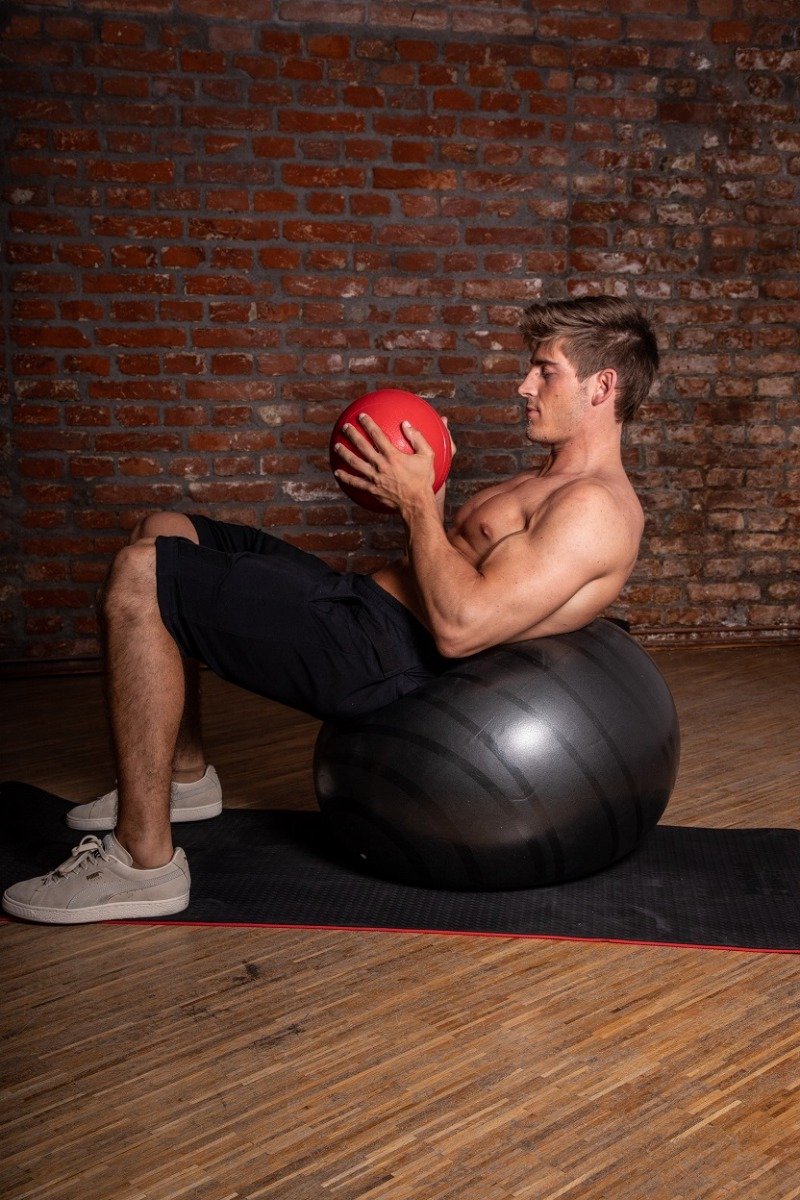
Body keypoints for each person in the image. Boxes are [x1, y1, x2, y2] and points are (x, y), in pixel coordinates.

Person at [2, 295, 659, 924]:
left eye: (545, 371)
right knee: (163, 528)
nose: (524, 385)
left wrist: (416, 504)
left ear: (601, 387)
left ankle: (142, 861)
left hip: (377, 654)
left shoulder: (592, 509)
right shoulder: (545, 480)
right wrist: (428, 491)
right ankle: (184, 777)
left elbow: (462, 628)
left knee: (140, 575)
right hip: (360, 603)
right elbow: (457, 564)